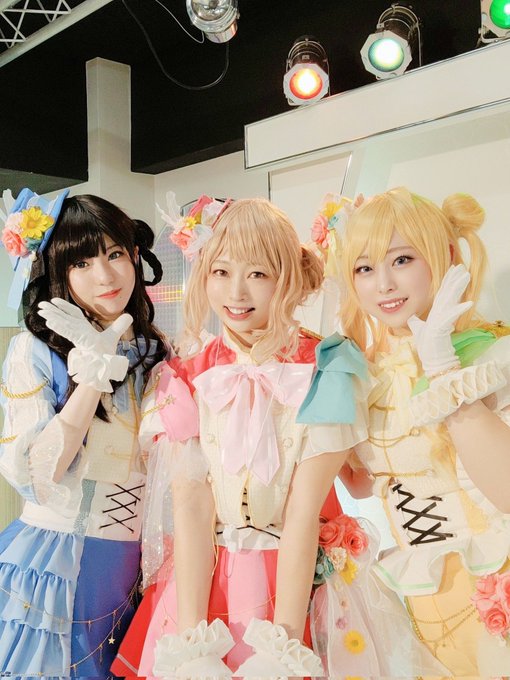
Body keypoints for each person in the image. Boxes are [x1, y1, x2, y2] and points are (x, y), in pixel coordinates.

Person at [112, 194, 445, 679]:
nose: (236, 292)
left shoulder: (328, 366)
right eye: (221, 271)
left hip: (301, 583)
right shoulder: (185, 374)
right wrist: (192, 643)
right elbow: (192, 506)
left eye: (258, 273)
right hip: (206, 580)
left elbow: (302, 512)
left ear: (287, 277)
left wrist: (283, 647)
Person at [319, 186, 510, 676]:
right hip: (422, 602)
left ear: (444, 255)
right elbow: (369, 481)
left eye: (401, 260)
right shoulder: (368, 375)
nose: (383, 284)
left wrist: (443, 367)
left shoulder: (490, 355)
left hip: (497, 578)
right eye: (364, 268)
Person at [0, 190, 171, 677]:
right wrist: (92, 375)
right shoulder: (35, 350)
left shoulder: (157, 351)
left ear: (134, 255)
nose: (105, 276)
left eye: (114, 254)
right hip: (56, 559)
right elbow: (35, 475)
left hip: (136, 564)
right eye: (82, 263)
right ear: (59, 272)